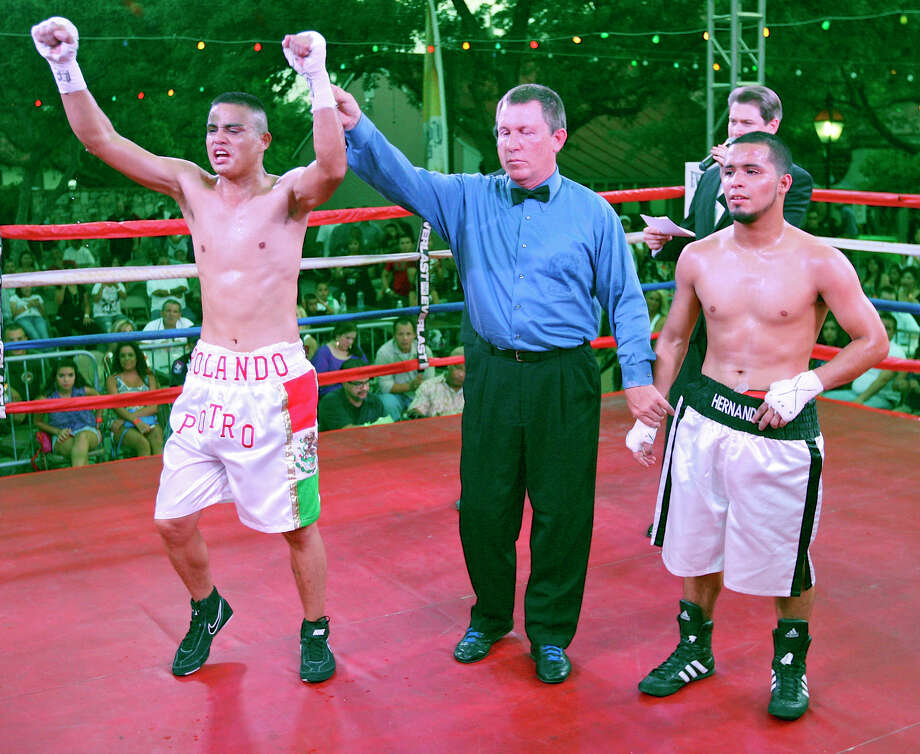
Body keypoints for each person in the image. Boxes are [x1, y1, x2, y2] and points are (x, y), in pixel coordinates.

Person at [32, 17, 346, 681]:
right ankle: (208, 608)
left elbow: (333, 165)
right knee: (172, 522)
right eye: (212, 128)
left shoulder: (288, 196)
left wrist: (317, 77)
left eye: (233, 128)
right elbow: (101, 139)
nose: (218, 138)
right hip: (208, 380)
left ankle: (315, 628)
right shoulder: (190, 186)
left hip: (276, 387)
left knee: (296, 526)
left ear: (263, 139)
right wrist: (66, 65)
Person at [337, 81, 668, 683]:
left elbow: (625, 299)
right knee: (484, 506)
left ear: (557, 138)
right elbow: (402, 177)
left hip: (565, 376)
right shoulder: (467, 198)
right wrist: (358, 122)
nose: (511, 145)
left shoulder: (593, 211)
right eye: (503, 132)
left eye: (525, 132)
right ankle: (490, 616)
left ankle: (550, 633)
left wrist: (639, 378)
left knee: (562, 510)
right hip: (489, 372)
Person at [627, 132, 889, 720]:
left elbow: (873, 340)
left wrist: (809, 383)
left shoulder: (820, 259)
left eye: (751, 171)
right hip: (704, 416)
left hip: (779, 425)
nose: (736, 182)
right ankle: (694, 650)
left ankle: (789, 667)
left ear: (783, 183)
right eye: (730, 172)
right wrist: (653, 411)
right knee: (695, 545)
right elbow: (673, 337)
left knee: (785, 557)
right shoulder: (700, 255)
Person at [643, 85, 814, 422]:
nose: (736, 131)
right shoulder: (709, 179)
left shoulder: (791, 180)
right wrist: (665, 242)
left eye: (746, 123)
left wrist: (733, 177)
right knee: (682, 423)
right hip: (699, 320)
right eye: (732, 122)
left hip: (749, 326)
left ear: (772, 126)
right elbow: (696, 235)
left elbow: (766, 245)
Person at [822, 312, 905, 409]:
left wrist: (860, 399)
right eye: (881, 326)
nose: (883, 330)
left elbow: (883, 380)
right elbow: (848, 369)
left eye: (887, 328)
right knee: (823, 399)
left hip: (880, 399)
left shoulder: (896, 351)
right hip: (854, 394)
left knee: (854, 411)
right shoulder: (868, 345)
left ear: (894, 332)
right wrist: (822, 388)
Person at [34, 358, 102, 467]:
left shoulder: (84, 391)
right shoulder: (46, 398)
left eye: (70, 375)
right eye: (61, 376)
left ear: (76, 376)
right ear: (54, 377)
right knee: (80, 451)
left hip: (88, 430)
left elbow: (101, 400)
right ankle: (83, 482)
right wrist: (56, 431)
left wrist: (99, 419)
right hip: (62, 435)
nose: (66, 380)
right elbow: (37, 422)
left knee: (82, 437)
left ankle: (78, 482)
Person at [105, 341, 164, 457]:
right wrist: (135, 421)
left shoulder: (149, 377)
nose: (127, 358)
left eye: (130, 355)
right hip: (120, 424)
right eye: (123, 356)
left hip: (143, 420)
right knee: (142, 444)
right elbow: (117, 407)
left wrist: (130, 418)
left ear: (137, 357)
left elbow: (153, 407)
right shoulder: (112, 380)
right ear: (118, 358)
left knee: (157, 440)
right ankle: (142, 475)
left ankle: (158, 475)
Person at [373, 317, 435, 421]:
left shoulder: (425, 351)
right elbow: (385, 386)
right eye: (400, 334)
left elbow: (430, 381)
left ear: (415, 335)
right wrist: (410, 386)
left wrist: (419, 388)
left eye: (408, 334)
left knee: (433, 399)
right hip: (394, 395)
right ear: (394, 335)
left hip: (419, 393)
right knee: (388, 403)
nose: (405, 338)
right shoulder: (384, 353)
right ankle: (394, 433)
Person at [317, 358, 389, 430]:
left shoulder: (375, 401)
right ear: (344, 382)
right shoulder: (330, 402)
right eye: (358, 384)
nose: (364, 388)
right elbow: (349, 432)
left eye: (367, 382)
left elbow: (386, 428)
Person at [141, 299, 194, 385]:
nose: (171, 314)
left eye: (175, 312)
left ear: (180, 315)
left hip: (181, 365)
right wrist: (158, 345)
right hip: (157, 365)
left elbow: (197, 340)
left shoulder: (187, 323)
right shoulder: (152, 325)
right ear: (161, 313)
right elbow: (140, 343)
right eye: (168, 311)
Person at [407, 346, 466, 418]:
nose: (461, 374)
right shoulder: (429, 386)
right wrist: (416, 414)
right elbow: (415, 411)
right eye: (458, 367)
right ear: (448, 364)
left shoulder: (478, 391)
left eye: (467, 370)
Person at [312, 322, 367, 397]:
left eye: (353, 339)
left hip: (359, 392)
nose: (350, 342)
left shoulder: (357, 350)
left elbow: (367, 371)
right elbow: (319, 380)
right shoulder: (323, 353)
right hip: (332, 395)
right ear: (337, 336)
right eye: (347, 338)